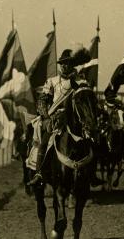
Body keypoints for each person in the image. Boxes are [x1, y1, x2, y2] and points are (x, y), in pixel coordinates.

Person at [28, 48, 86, 187]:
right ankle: (39, 172)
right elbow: (42, 101)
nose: (64, 66)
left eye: (68, 63)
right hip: (55, 120)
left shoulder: (80, 81)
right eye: (62, 63)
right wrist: (46, 117)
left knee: (89, 141)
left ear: (73, 65)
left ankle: (90, 173)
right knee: (45, 142)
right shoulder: (52, 81)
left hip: (74, 118)